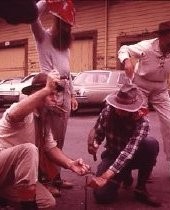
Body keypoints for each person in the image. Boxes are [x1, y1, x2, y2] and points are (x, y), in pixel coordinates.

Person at [0, 71, 90, 209]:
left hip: (13, 178)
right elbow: (13, 114)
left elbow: (50, 148)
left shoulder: (44, 120)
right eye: (51, 94)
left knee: (47, 202)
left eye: (56, 94)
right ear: (38, 93)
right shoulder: (21, 111)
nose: (56, 98)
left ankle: (5, 198)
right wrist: (46, 89)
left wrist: (71, 164)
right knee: (28, 149)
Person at [118, 21, 170, 183]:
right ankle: (144, 166)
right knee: (141, 124)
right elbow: (123, 49)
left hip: (160, 88)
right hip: (141, 86)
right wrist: (127, 61)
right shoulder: (146, 47)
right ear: (161, 37)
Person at [30, 0, 78, 194]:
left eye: (69, 26)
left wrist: (72, 94)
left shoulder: (64, 45)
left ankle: (55, 177)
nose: (67, 29)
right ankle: (45, 180)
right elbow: (32, 17)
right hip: (50, 91)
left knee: (60, 138)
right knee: (47, 138)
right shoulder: (43, 37)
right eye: (64, 25)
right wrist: (47, 2)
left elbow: (67, 73)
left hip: (65, 91)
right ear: (57, 22)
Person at [87, 83, 161, 207]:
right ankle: (122, 175)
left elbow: (128, 152)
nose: (119, 111)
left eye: (124, 109)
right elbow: (98, 132)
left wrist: (106, 176)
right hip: (112, 155)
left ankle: (140, 188)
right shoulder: (107, 112)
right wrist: (95, 143)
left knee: (151, 144)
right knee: (101, 196)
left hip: (133, 156)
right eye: (118, 106)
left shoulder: (142, 121)